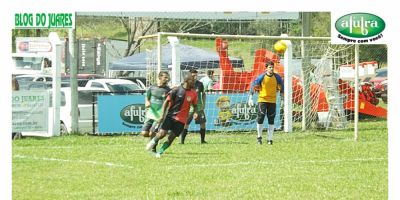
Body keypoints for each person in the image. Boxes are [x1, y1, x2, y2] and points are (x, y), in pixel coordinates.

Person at [145, 73, 198, 158]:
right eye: (192, 80)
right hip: (171, 116)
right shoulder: (176, 90)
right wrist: (162, 115)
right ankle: (152, 142)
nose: (194, 82)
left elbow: (195, 105)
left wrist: (195, 112)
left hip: (182, 120)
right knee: (162, 134)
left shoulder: (194, 93)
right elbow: (166, 101)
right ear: (186, 80)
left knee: (171, 138)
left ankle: (160, 152)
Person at [248, 61, 284, 145]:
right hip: (262, 100)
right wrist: (250, 98)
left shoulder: (277, 77)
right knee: (261, 117)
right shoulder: (261, 77)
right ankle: (259, 137)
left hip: (272, 101)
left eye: (272, 67)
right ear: (266, 68)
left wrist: (282, 99)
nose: (271, 69)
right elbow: (253, 86)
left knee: (271, 119)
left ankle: (270, 139)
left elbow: (282, 88)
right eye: (269, 67)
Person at [141, 71, 171, 151]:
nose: (167, 79)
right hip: (151, 113)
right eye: (165, 77)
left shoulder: (168, 90)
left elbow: (169, 102)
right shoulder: (152, 87)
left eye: (168, 77)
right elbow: (147, 97)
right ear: (160, 77)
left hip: (160, 114)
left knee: (152, 132)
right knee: (144, 133)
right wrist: (147, 102)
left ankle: (153, 148)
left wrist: (165, 113)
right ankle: (157, 137)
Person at [180, 69, 207, 144]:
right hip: (188, 108)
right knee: (186, 123)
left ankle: (202, 140)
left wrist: (203, 104)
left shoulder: (200, 84)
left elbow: (204, 94)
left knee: (202, 123)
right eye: (193, 75)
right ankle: (182, 141)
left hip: (198, 107)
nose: (195, 77)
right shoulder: (185, 84)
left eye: (196, 75)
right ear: (189, 75)